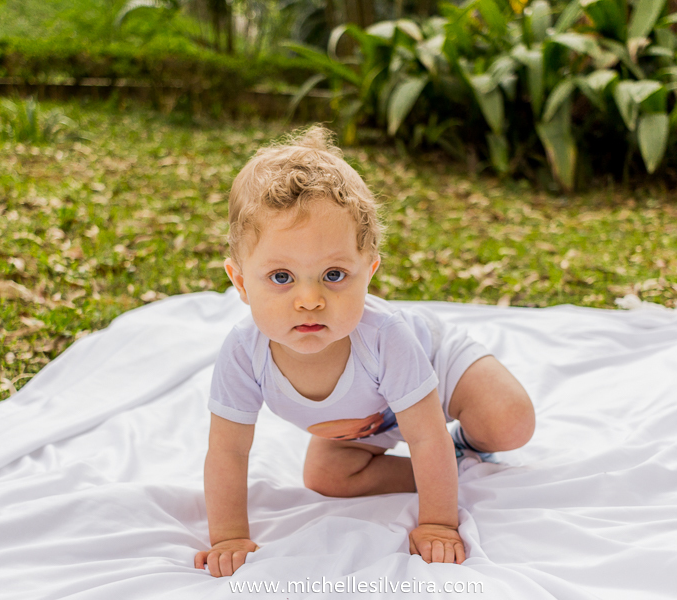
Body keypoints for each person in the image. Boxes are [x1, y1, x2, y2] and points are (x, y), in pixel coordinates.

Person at [194, 126, 535, 578]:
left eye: (334, 275)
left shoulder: (384, 335)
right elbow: (227, 453)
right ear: (239, 282)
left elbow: (425, 434)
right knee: (326, 478)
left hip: (433, 369)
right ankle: (455, 463)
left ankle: (467, 445)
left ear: (368, 272)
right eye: (281, 278)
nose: (310, 300)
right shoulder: (243, 352)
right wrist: (229, 536)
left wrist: (436, 523)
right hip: (370, 417)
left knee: (510, 421)